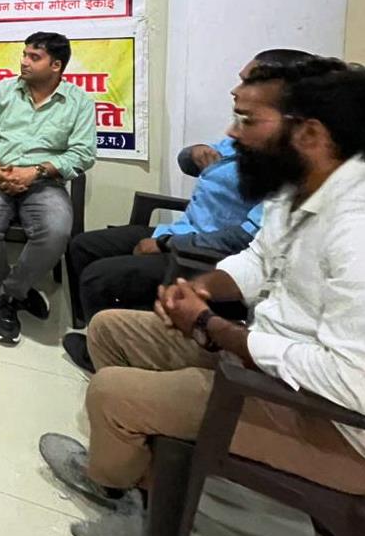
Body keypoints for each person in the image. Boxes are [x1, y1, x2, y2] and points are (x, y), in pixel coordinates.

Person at [37, 58, 365, 536]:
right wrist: (204, 289)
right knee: (109, 330)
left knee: (112, 393)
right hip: (268, 365)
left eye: (248, 121)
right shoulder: (301, 192)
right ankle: (146, 480)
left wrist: (219, 330)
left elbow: (362, 387)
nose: (233, 136)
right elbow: (258, 260)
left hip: (343, 429)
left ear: (310, 133)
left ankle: (135, 511)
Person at [61, 49, 313, 370]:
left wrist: (166, 244)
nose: (235, 90)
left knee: (99, 277)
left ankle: (115, 354)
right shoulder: (246, 135)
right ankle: (99, 332)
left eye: (247, 81)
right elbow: (188, 162)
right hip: (183, 230)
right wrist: (194, 153)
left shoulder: (290, 165)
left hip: (202, 254)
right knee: (83, 246)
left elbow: (244, 239)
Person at [0, 32, 97, 346]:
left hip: (44, 182)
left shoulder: (79, 102)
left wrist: (36, 171)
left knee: (56, 231)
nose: (24, 61)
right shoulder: (4, 90)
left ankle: (8, 295)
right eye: (24, 54)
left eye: (34, 57)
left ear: (56, 65)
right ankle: (15, 289)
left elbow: (83, 153)